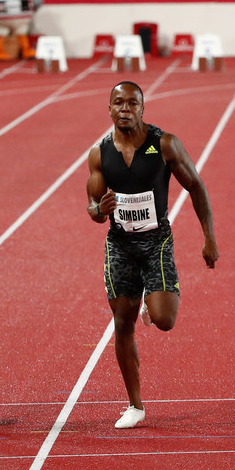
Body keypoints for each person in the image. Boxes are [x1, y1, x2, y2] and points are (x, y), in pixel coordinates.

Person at [86, 81, 218, 428]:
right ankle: (135, 405)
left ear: (143, 108)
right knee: (122, 323)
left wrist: (209, 238)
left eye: (133, 103)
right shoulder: (99, 153)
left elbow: (196, 186)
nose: (125, 108)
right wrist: (99, 209)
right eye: (119, 103)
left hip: (156, 240)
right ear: (109, 109)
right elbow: (92, 208)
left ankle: (154, 299)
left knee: (165, 320)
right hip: (119, 244)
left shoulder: (164, 144)